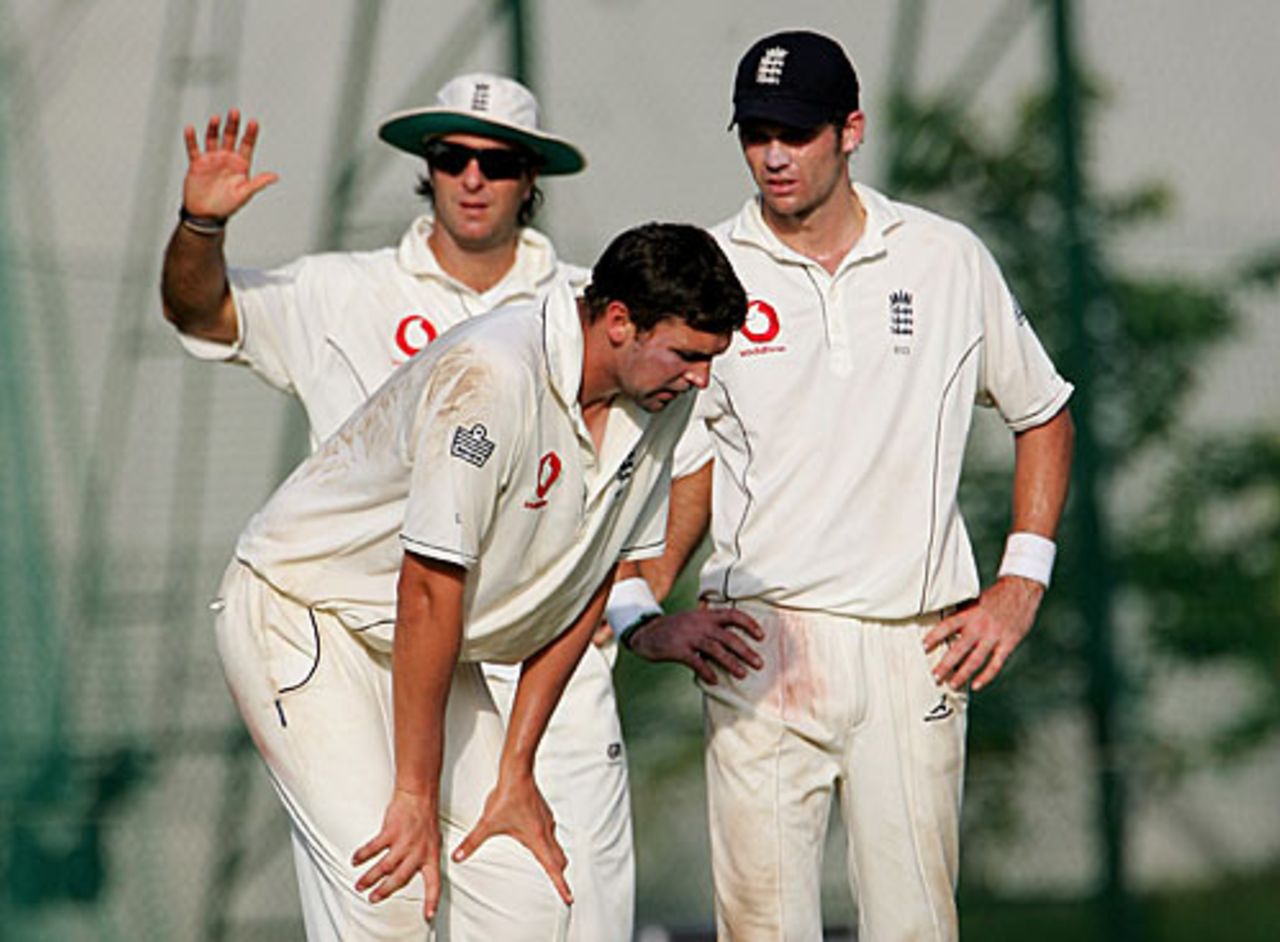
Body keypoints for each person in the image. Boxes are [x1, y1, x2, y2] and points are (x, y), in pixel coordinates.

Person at [614, 30, 1076, 941]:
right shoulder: (711, 270)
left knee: (915, 926)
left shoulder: (945, 259)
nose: (773, 155)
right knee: (762, 927)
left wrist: (1020, 586)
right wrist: (642, 610)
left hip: (918, 644)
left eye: (796, 131)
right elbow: (689, 467)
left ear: (850, 129)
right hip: (763, 645)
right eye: (754, 133)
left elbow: (1043, 413)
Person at [160, 74, 642, 940]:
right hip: (373, 639)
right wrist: (202, 226)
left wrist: (638, 588)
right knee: (385, 894)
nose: (471, 178)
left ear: (531, 177)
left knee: (550, 908)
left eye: (495, 162)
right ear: (428, 167)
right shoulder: (343, 290)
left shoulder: (592, 302)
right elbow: (201, 310)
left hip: (542, 673)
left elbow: (689, 447)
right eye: (451, 156)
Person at [204, 222, 754, 939]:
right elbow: (429, 588)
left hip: (418, 638)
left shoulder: (661, 403)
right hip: (303, 613)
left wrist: (517, 772)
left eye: (711, 360)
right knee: (390, 887)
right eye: (688, 355)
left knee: (525, 893)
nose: (701, 380)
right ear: (619, 322)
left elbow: (585, 584)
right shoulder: (492, 374)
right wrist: (413, 793)